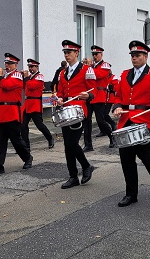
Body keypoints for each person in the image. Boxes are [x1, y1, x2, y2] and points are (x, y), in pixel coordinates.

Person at [112, 40, 150, 207]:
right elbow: (118, 97)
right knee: (126, 159)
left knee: (146, 158)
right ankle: (131, 194)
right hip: (126, 121)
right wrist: (117, 107)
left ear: (146, 56)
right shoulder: (124, 74)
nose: (134, 58)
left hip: (144, 121)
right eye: (132, 55)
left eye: (137, 55)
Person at [56, 40, 96, 189]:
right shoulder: (62, 72)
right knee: (67, 145)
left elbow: (94, 91)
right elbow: (60, 91)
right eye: (65, 53)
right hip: (66, 111)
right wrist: (59, 98)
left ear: (76, 53)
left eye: (69, 52)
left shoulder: (87, 70)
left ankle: (86, 166)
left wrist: (88, 96)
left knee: (71, 143)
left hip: (78, 111)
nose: (67, 55)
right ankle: (73, 176)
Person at [0, 53, 33, 176]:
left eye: (10, 64)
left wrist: (0, 77)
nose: (7, 66)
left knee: (16, 140)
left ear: (16, 65)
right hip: (0, 113)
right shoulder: (5, 77)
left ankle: (27, 157)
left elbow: (7, 86)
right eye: (6, 63)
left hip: (11, 112)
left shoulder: (17, 75)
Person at [83, 45, 115, 150]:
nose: (94, 56)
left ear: (101, 54)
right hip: (90, 95)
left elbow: (98, 75)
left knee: (100, 121)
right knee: (87, 121)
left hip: (100, 96)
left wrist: (88, 67)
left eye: (96, 54)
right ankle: (88, 144)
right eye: (93, 54)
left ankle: (112, 137)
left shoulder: (105, 65)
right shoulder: (91, 67)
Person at [21, 58, 55, 150]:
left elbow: (31, 86)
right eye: (29, 67)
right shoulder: (30, 77)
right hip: (27, 104)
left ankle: (50, 138)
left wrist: (26, 78)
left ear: (36, 67)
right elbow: (24, 86)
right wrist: (23, 77)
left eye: (32, 67)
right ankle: (26, 145)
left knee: (39, 125)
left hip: (35, 103)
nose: (30, 69)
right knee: (23, 125)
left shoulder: (40, 76)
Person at [97, 69, 119, 137]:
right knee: (101, 116)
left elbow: (117, 87)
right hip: (103, 98)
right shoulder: (104, 78)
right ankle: (103, 130)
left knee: (105, 114)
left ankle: (113, 124)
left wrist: (111, 87)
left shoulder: (113, 77)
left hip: (110, 99)